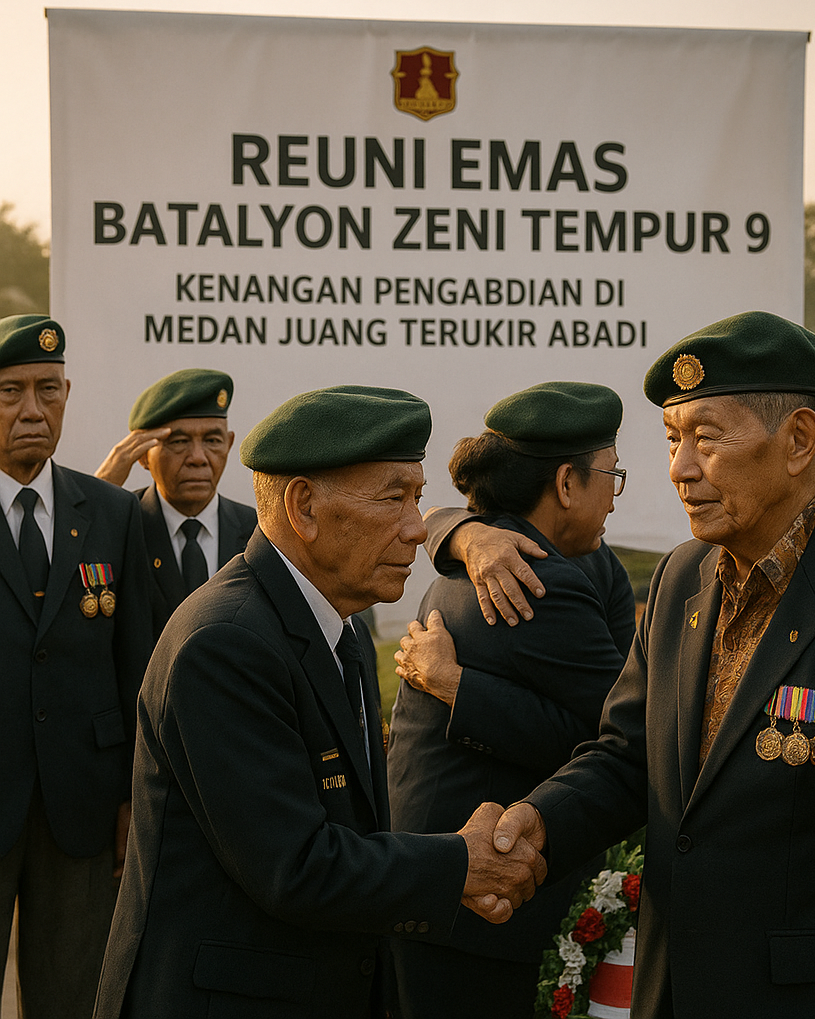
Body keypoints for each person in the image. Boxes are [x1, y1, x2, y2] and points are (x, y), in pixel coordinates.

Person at [488, 311, 815, 1018]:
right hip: (672, 990)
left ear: (799, 441)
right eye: (671, 439)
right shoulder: (680, 578)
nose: (680, 468)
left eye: (708, 439)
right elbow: (629, 757)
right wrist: (538, 822)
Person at [93, 384, 546, 1019]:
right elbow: (296, 865)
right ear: (303, 506)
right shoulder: (226, 641)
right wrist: (457, 864)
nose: (418, 529)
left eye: (417, 499)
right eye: (394, 498)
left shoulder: (339, 624)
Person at [387, 381, 633, 1018]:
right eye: (611, 474)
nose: (616, 493)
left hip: (443, 894)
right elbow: (629, 736)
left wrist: (461, 689)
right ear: (567, 485)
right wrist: (463, 693)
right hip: (481, 906)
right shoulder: (532, 577)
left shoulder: (495, 550)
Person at [0, 314, 152, 1018]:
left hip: (83, 803)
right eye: (10, 393)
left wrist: (131, 795)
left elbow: (136, 669)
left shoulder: (115, 513)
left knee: (74, 996)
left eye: (48, 390)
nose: (33, 410)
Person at [95, 368, 257, 636]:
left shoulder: (256, 529)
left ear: (229, 444)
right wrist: (101, 487)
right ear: (143, 455)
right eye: (179, 441)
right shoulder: (121, 524)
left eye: (212, 440)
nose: (198, 457)